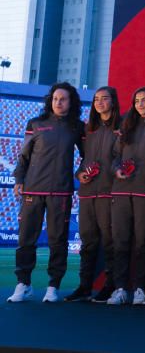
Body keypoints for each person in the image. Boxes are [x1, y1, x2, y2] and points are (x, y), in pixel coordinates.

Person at [8, 83, 85, 303]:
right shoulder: (35, 124)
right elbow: (24, 157)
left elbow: (88, 156)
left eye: (64, 99)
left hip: (60, 192)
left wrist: (81, 172)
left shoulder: (77, 127)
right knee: (25, 240)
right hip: (32, 190)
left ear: (72, 102)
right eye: (55, 98)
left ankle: (53, 286)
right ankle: (23, 284)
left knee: (57, 241)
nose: (59, 102)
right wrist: (19, 180)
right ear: (50, 101)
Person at [107, 87, 145, 306]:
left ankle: (140, 289)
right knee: (120, 241)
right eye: (137, 100)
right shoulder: (125, 126)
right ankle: (120, 288)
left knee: (143, 242)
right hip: (121, 191)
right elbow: (113, 157)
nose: (140, 104)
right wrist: (116, 170)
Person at [66, 86, 121, 303]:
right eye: (96, 99)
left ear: (113, 102)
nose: (99, 103)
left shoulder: (122, 128)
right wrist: (79, 174)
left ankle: (110, 285)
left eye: (104, 99)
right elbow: (84, 161)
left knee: (110, 241)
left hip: (109, 192)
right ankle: (84, 286)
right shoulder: (89, 130)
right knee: (88, 243)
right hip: (88, 194)